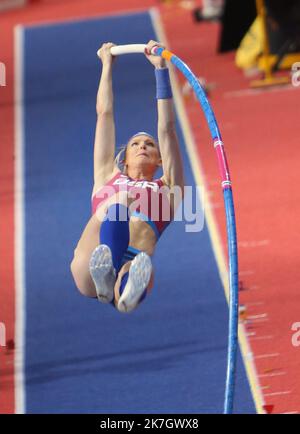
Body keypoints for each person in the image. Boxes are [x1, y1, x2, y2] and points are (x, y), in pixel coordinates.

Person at [70, 40, 184, 313]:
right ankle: (106, 272)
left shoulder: (169, 188)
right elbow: (104, 114)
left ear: (159, 160)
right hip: (89, 265)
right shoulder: (107, 176)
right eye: (136, 144)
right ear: (124, 158)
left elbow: (167, 128)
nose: (143, 146)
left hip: (133, 264)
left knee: (138, 267)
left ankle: (121, 288)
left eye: (149, 144)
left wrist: (161, 70)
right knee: (119, 199)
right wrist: (107, 66)